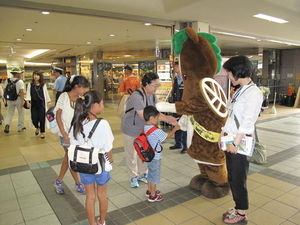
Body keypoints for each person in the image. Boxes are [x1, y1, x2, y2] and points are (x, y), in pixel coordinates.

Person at [219, 56, 263, 224]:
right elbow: (231, 115)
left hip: (239, 142)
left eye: (229, 72)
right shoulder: (241, 90)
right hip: (231, 139)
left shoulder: (253, 93)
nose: (229, 76)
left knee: (238, 177)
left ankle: (241, 213)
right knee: (233, 176)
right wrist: (222, 134)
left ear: (238, 71)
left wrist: (235, 144)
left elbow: (247, 122)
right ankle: (238, 207)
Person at [121, 72, 178, 188]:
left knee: (144, 152)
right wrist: (166, 118)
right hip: (130, 129)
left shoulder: (152, 95)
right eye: (155, 86)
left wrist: (167, 118)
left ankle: (143, 174)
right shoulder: (137, 96)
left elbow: (156, 112)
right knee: (131, 154)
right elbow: (145, 116)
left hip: (143, 130)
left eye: (158, 85)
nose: (156, 88)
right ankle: (133, 176)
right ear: (146, 84)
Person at [69, 90, 113, 225]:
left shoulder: (77, 124)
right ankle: (102, 221)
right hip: (101, 166)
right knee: (102, 195)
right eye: (102, 103)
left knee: (90, 197)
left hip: (84, 166)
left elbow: (73, 145)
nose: (103, 105)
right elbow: (108, 149)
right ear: (94, 105)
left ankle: (92, 223)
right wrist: (110, 161)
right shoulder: (103, 124)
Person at [53, 75, 90, 195]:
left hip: (76, 135)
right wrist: (64, 134)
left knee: (68, 158)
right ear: (76, 86)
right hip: (65, 134)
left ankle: (59, 181)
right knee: (71, 158)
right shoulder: (64, 96)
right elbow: (58, 115)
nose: (85, 90)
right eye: (84, 88)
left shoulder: (81, 99)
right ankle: (78, 183)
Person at [143, 105, 179, 202]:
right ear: (151, 118)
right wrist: (175, 129)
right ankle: (153, 195)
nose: (158, 120)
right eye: (157, 118)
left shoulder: (145, 127)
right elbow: (167, 136)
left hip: (149, 155)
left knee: (150, 174)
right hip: (155, 157)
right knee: (154, 176)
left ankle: (150, 190)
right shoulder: (155, 130)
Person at [25, 70, 51, 139]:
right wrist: (27, 101)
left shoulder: (43, 85)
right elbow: (28, 94)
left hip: (41, 104)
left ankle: (42, 132)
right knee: (34, 119)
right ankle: (37, 127)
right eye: (34, 75)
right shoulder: (30, 85)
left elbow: (45, 94)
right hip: (34, 104)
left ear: (40, 77)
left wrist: (48, 102)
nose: (36, 76)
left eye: (37, 75)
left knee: (42, 119)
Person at [169, 61, 187, 154]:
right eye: (174, 66)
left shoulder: (186, 79)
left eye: (176, 66)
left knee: (183, 125)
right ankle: (178, 142)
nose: (175, 67)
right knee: (176, 123)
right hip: (175, 106)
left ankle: (185, 145)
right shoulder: (176, 79)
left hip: (184, 106)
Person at [3, 67, 26, 133]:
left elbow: (5, 90)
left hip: (10, 99)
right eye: (20, 74)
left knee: (10, 113)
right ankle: (20, 127)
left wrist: (5, 99)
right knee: (20, 113)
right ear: (17, 74)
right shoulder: (20, 81)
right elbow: (21, 92)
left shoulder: (8, 80)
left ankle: (7, 124)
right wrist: (22, 101)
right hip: (18, 99)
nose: (21, 75)